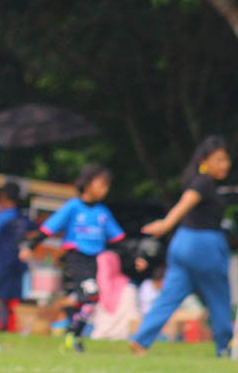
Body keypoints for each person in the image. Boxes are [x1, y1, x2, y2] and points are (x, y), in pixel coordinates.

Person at [131, 137, 234, 357]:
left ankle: (141, 341)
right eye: (219, 159)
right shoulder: (203, 182)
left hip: (182, 244)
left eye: (226, 159)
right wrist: (167, 223)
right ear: (204, 161)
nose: (225, 164)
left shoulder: (208, 184)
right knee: (218, 295)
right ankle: (223, 346)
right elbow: (186, 201)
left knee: (169, 296)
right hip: (203, 245)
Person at [19, 164, 132, 353]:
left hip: (93, 261)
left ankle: (73, 335)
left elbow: (118, 238)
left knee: (87, 300)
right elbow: (49, 227)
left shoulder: (102, 212)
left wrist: (134, 257)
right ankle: (72, 332)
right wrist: (30, 245)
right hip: (76, 259)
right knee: (92, 296)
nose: (105, 190)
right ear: (87, 184)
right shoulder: (73, 207)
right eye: (101, 184)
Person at [0, 182, 31, 331]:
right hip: (18, 263)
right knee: (13, 299)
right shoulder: (24, 219)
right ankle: (12, 327)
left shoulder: (1, 217)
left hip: (1, 262)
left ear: (3, 196)